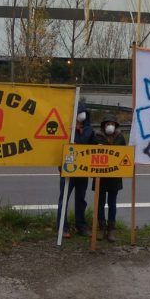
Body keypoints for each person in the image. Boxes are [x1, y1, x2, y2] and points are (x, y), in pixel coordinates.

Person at [57, 102, 93, 238]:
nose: (82, 114)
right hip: (68, 169)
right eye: (79, 112)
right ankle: (62, 227)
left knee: (81, 199)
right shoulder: (67, 129)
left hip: (83, 170)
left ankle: (81, 226)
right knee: (64, 199)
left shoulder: (89, 130)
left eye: (83, 112)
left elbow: (93, 144)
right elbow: (57, 146)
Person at [93, 114, 126, 242]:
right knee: (100, 203)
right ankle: (101, 228)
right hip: (100, 176)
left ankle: (111, 229)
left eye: (112, 124)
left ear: (115, 125)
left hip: (114, 176)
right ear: (103, 125)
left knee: (112, 203)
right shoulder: (97, 137)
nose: (110, 126)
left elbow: (124, 153)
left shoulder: (120, 137)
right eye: (107, 124)